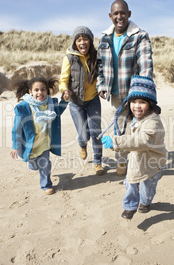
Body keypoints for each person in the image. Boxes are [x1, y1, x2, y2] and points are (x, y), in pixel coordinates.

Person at [97, 0, 154, 176]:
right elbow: (99, 66)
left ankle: (138, 160)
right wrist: (101, 85)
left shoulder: (140, 36)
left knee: (138, 126)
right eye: (115, 13)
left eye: (123, 13)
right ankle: (121, 159)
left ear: (129, 14)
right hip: (114, 94)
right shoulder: (105, 38)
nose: (119, 17)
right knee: (119, 126)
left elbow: (146, 63)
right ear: (110, 16)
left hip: (134, 93)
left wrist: (141, 92)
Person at [101, 75, 167, 219]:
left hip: (153, 162)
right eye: (133, 101)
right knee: (130, 181)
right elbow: (129, 138)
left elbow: (141, 141)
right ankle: (130, 206)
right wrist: (118, 149)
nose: (137, 106)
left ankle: (145, 202)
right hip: (137, 159)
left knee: (148, 187)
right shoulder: (133, 119)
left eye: (142, 102)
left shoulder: (153, 122)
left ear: (150, 104)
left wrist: (116, 141)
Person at [10, 77, 70, 195]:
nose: (40, 93)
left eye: (43, 89)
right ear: (30, 91)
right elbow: (16, 129)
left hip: (44, 142)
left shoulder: (50, 103)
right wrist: (15, 145)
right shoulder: (23, 107)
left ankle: (46, 185)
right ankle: (31, 164)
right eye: (36, 90)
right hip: (30, 144)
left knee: (45, 164)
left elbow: (58, 113)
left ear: (47, 90)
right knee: (33, 165)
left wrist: (65, 100)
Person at [59, 26, 105, 176]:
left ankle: (98, 162)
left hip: (93, 100)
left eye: (85, 39)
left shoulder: (96, 57)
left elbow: (103, 75)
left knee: (96, 132)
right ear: (75, 42)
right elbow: (63, 79)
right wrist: (64, 90)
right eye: (79, 39)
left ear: (90, 42)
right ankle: (82, 144)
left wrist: (103, 88)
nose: (82, 42)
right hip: (75, 102)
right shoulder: (69, 58)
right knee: (84, 135)